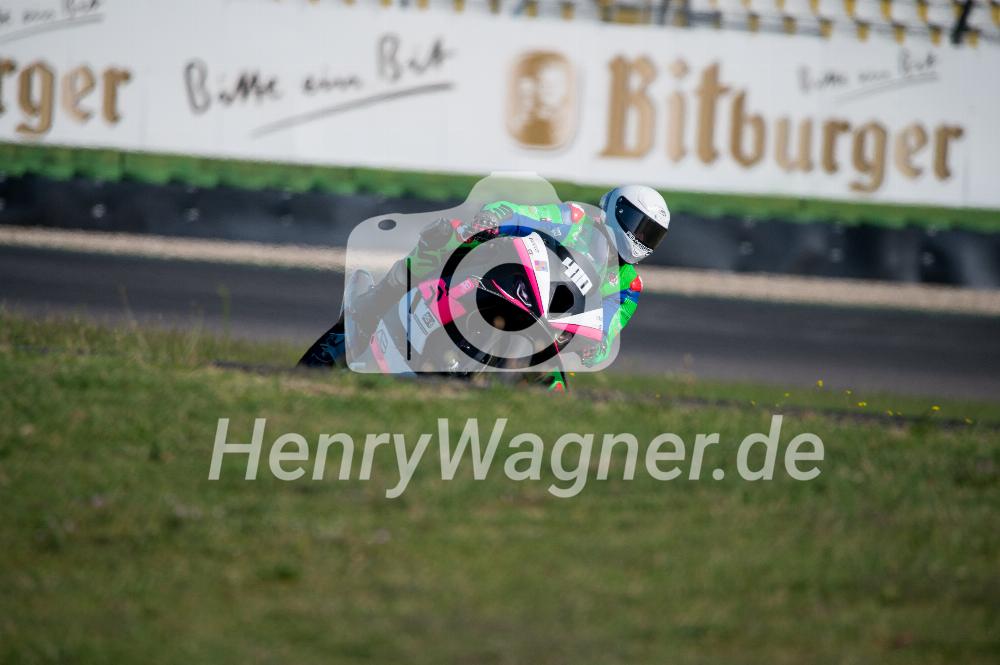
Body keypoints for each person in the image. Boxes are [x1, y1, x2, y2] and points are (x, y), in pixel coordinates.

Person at [298, 185, 671, 391]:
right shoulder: (578, 218)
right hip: (520, 281)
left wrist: (595, 345)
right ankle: (376, 301)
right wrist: (499, 215)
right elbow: (532, 216)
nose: (640, 238)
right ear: (618, 210)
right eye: (638, 225)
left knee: (558, 389)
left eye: (650, 234)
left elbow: (610, 325)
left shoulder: (630, 285)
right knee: (444, 238)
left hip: (554, 328)